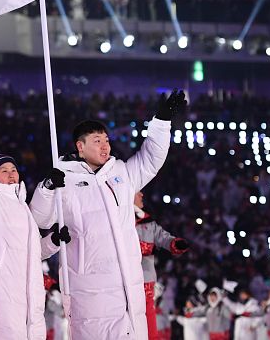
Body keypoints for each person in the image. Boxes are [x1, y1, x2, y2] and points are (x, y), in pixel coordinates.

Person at [30, 90, 187, 339]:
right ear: (80, 147)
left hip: (128, 284)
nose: (105, 146)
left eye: (106, 140)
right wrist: (47, 189)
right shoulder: (62, 179)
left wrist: (162, 120)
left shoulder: (122, 172)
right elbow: (40, 220)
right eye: (97, 141)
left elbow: (151, 159)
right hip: (88, 289)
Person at [0, 100, 67, 340]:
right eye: (4, 170)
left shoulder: (23, 208)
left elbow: (32, 253)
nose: (11, 174)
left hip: (31, 297)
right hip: (3, 296)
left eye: (14, 169)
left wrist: (53, 241)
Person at [134, 190, 189, 339]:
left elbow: (162, 237)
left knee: (149, 320)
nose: (142, 195)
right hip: (123, 280)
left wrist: (174, 243)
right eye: (138, 192)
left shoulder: (148, 222)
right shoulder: (118, 219)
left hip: (146, 279)